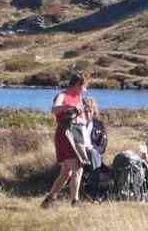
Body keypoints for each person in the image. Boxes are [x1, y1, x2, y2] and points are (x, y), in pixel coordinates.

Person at [41, 73, 88, 209]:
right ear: (77, 84)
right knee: (77, 168)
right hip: (64, 135)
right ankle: (75, 201)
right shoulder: (62, 95)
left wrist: (80, 118)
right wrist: (67, 107)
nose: (85, 90)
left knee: (66, 172)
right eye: (84, 86)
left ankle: (49, 200)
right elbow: (54, 110)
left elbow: (84, 119)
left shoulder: (79, 97)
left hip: (76, 135)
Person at [83, 96, 109, 201]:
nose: (87, 113)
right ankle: (93, 193)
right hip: (79, 157)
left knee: (93, 153)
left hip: (95, 158)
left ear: (94, 111)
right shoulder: (76, 125)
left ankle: (93, 191)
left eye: (90, 111)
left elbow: (102, 147)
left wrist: (92, 149)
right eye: (85, 110)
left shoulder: (100, 125)